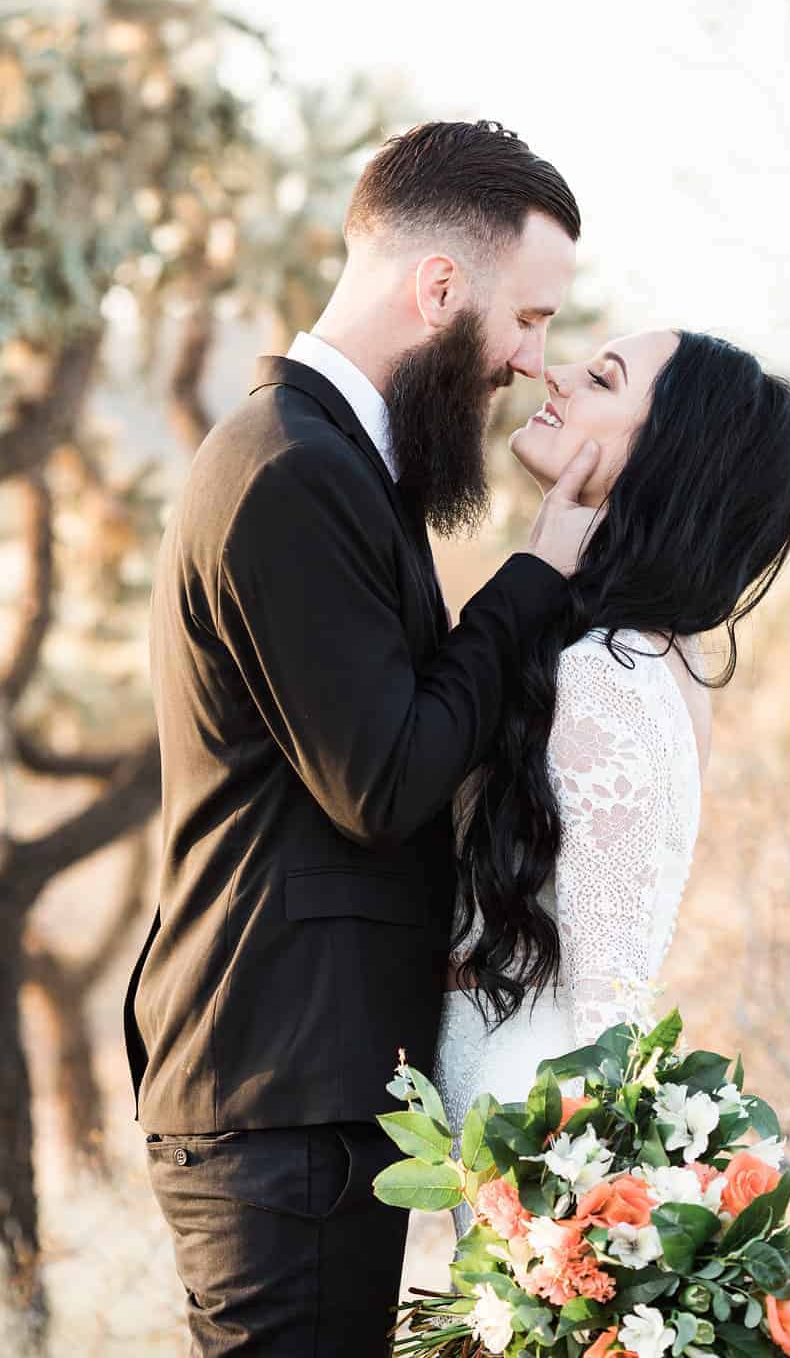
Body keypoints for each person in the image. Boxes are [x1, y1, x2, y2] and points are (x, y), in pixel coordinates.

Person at [123, 120, 601, 1354]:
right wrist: (536, 573)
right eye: (528, 318)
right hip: (279, 1098)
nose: (530, 360)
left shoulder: (337, 465)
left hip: (308, 1094)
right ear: (438, 288)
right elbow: (381, 781)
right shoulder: (291, 471)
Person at [434, 328, 790, 1224]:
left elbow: (610, 995)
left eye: (602, 379)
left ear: (664, 460)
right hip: (514, 1099)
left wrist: (596, 1226)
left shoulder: (608, 675)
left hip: (545, 1134)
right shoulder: (645, 654)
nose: (555, 372)